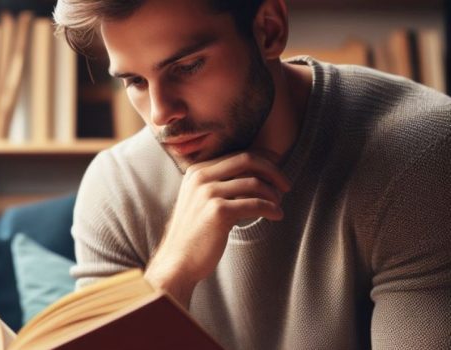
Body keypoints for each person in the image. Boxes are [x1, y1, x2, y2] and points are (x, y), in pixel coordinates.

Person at [53, 0, 451, 348]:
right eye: (135, 82)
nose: (160, 115)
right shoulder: (117, 186)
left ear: (269, 30)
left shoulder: (419, 153)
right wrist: (170, 275)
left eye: (187, 67)